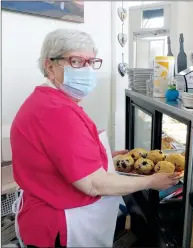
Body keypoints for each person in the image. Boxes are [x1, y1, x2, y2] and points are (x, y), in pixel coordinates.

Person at [10, 29, 180, 248]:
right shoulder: (56, 111)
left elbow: (61, 157)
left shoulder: (48, 101)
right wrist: (150, 181)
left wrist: (104, 157)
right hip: (61, 226)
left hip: (45, 216)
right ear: (50, 66)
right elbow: (93, 183)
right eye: (77, 61)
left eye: (91, 62)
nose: (88, 70)